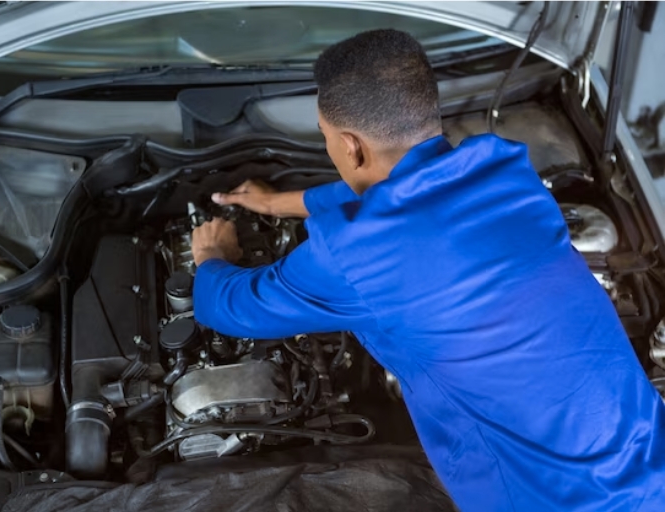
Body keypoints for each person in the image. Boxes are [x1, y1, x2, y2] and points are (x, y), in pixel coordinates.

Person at [190, 29, 665, 511]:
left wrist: (211, 254)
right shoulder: (507, 171)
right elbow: (408, 197)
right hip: (649, 459)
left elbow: (230, 308)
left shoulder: (356, 254)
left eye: (325, 137)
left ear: (351, 147)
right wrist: (277, 203)